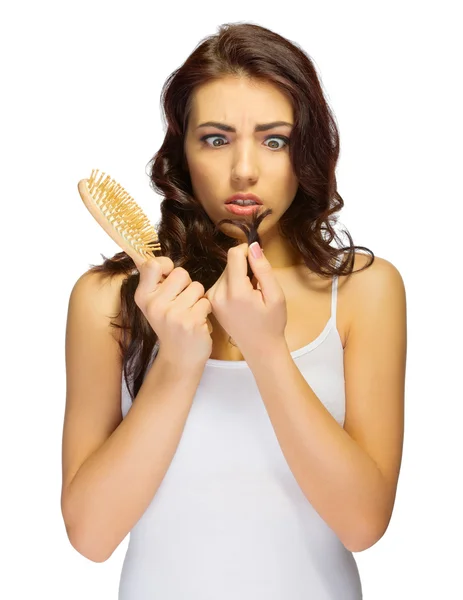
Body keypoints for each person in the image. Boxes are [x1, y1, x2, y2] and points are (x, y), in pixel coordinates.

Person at [61, 22, 407, 600]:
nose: (244, 169)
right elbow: (91, 536)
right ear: (182, 153)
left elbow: (364, 524)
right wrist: (176, 364)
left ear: (307, 154)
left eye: (274, 140)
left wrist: (267, 351)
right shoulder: (109, 300)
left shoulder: (365, 293)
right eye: (217, 139)